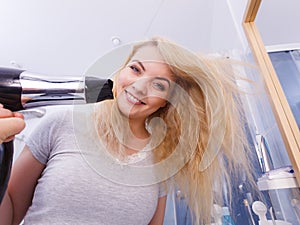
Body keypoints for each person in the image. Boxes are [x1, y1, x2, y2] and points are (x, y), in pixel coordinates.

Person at [0, 37, 255, 225]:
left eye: (158, 84)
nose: (139, 87)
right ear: (121, 70)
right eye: (135, 69)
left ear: (168, 100)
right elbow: (8, 214)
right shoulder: (61, 125)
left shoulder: (162, 161)